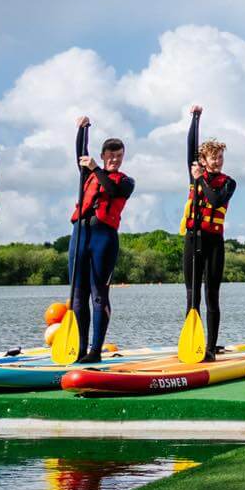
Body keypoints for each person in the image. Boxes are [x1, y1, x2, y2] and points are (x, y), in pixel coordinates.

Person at [69, 117, 135, 364]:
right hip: (80, 235)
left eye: (119, 156)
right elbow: (80, 153)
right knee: (77, 296)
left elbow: (111, 190)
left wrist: (97, 167)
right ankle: (79, 348)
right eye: (111, 156)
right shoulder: (87, 173)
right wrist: (81, 129)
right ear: (103, 154)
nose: (115, 160)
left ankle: (95, 350)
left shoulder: (126, 182)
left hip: (104, 239)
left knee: (98, 295)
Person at [184, 105, 237, 360]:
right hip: (193, 239)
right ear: (203, 160)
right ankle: (191, 343)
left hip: (214, 242)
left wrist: (201, 178)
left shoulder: (228, 182)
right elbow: (190, 145)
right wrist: (195, 118)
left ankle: (210, 349)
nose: (218, 161)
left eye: (220, 157)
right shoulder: (195, 172)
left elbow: (215, 200)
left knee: (211, 295)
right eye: (213, 157)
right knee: (192, 295)